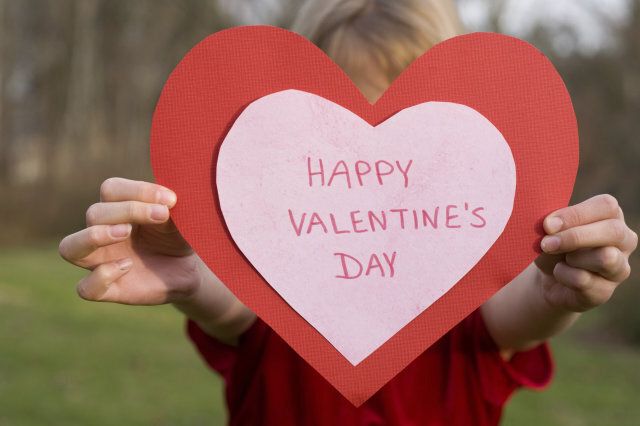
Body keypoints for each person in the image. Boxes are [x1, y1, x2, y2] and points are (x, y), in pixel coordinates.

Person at [58, 0, 637, 424]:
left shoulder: (466, 311)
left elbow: (525, 308)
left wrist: (566, 284)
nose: (371, 181)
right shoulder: (277, 290)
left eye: (406, 155)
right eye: (336, 145)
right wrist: (184, 274)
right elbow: (232, 306)